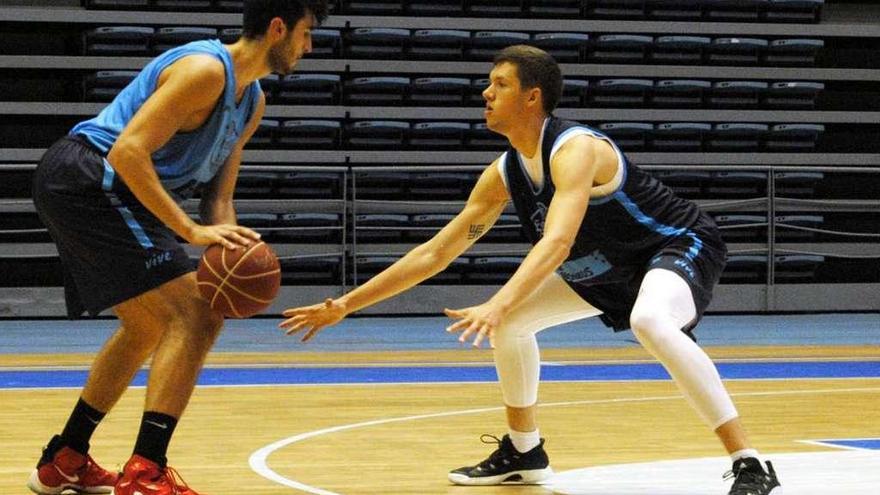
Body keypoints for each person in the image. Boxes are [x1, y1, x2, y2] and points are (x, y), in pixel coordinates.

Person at [279, 45, 782, 495]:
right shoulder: (504, 173)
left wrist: (498, 302)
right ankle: (524, 452)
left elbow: (559, 241)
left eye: (499, 84)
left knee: (648, 321)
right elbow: (436, 253)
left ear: (531, 98)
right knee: (514, 325)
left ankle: (749, 462)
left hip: (673, 245)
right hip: (604, 266)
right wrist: (345, 303)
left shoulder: (575, 149)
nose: (485, 91)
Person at [27, 1, 328, 494]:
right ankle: (145, 471)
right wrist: (190, 233)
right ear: (278, 28)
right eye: (305, 34)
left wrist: (230, 247)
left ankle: (66, 457)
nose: (308, 47)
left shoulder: (251, 101)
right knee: (195, 316)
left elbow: (220, 200)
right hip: (92, 178)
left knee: (149, 325)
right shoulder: (204, 70)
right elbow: (128, 151)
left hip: (115, 190)